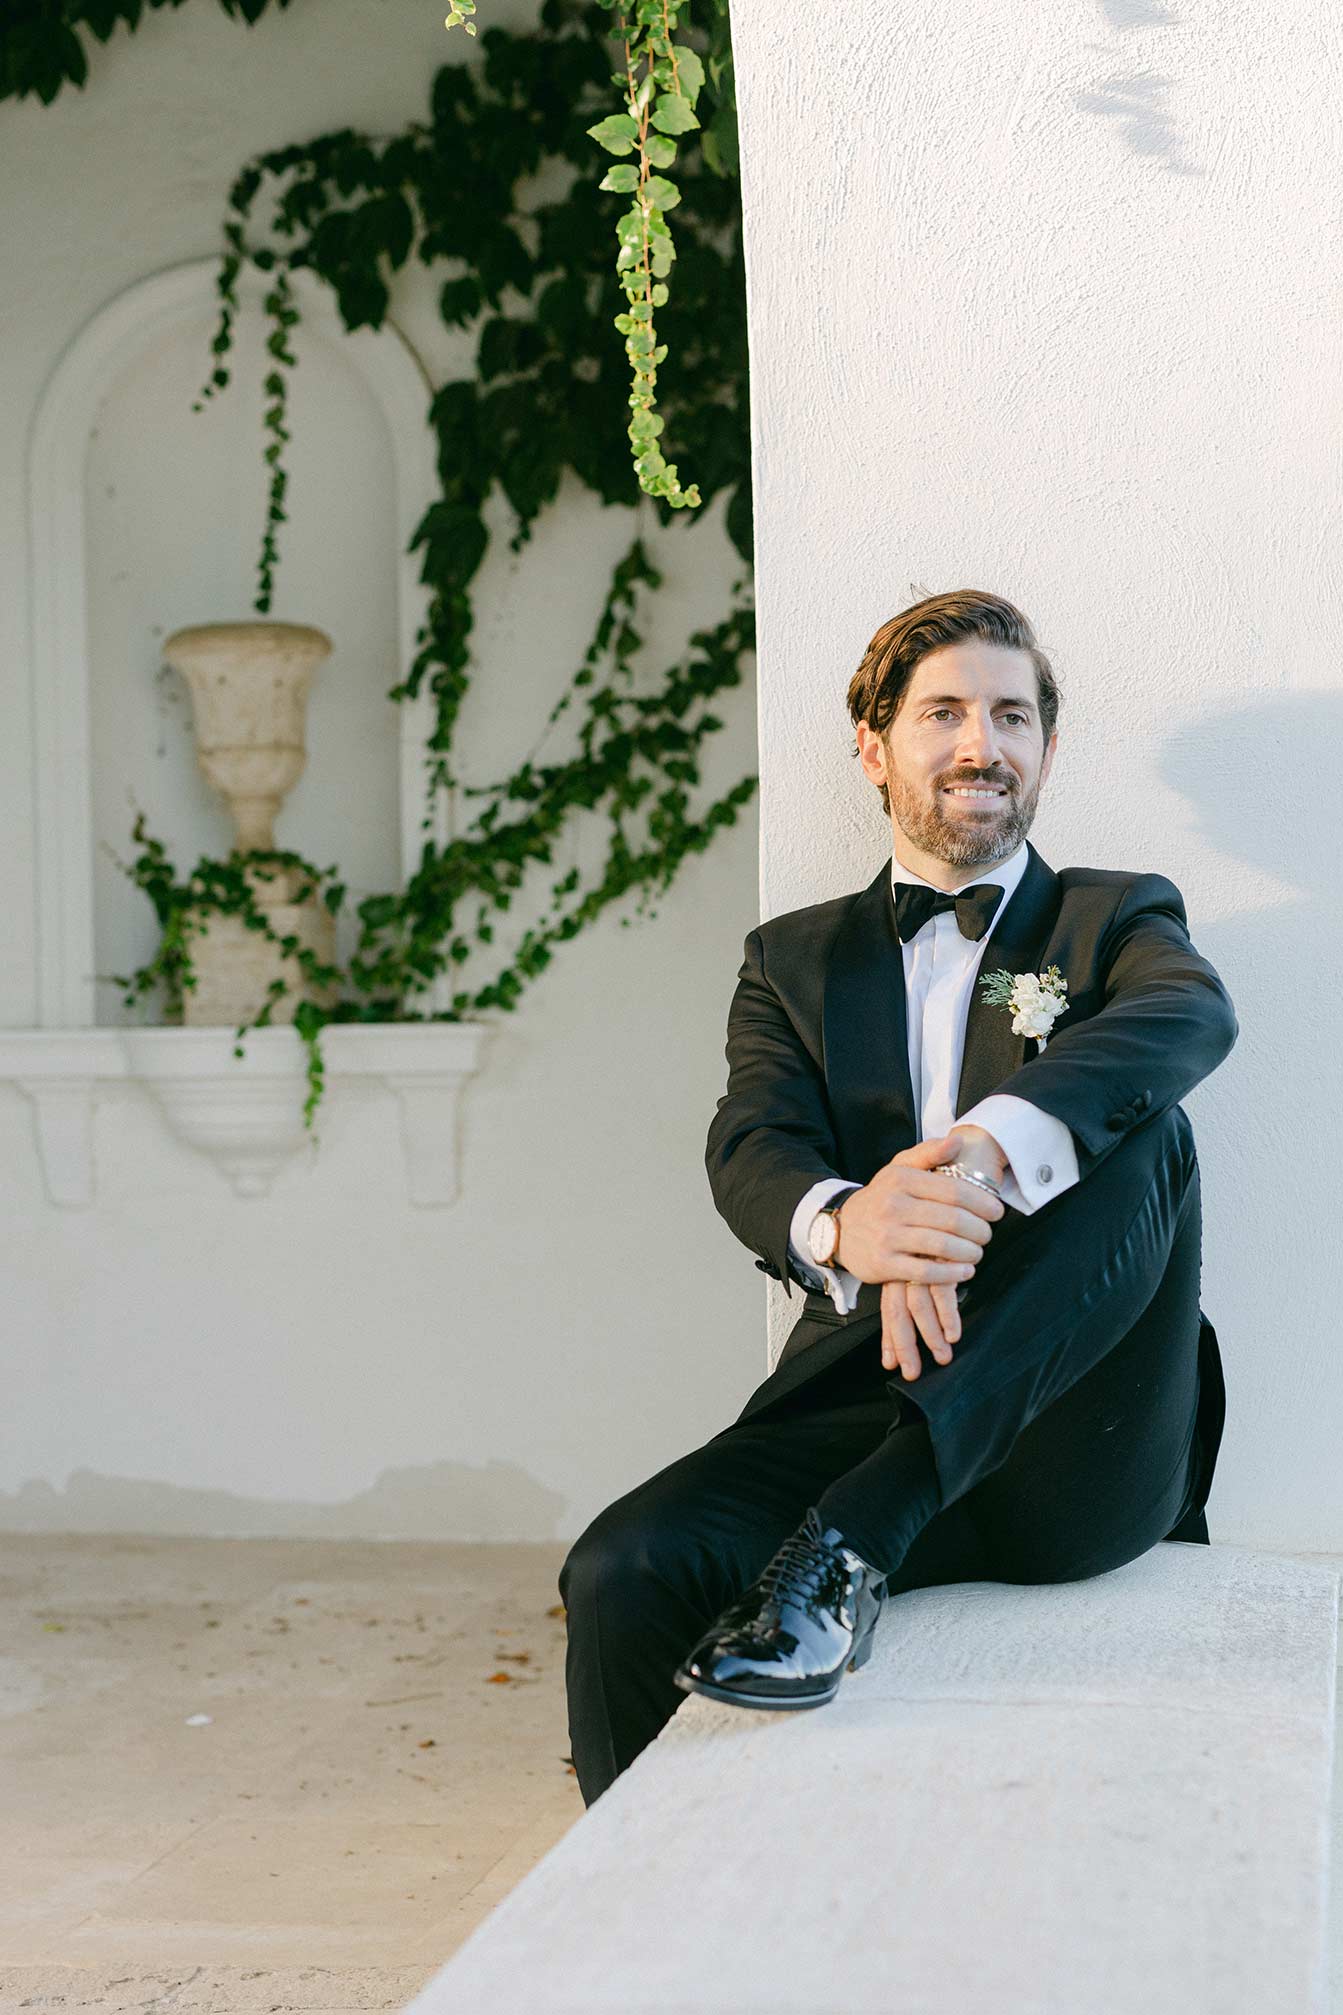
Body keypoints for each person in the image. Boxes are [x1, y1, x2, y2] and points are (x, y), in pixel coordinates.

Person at [558, 589, 1237, 1809]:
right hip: (857, 1395)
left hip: (1073, 1448)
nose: (982, 743)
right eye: (943, 713)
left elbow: (1188, 1015)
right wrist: (851, 1224)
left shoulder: (1113, 914)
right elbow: (750, 1139)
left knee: (1146, 1126)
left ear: (1041, 747)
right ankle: (630, 1922)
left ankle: (850, 1543)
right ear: (872, 747)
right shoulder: (792, 961)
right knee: (621, 1562)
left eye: (1010, 714)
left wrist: (979, 1155)